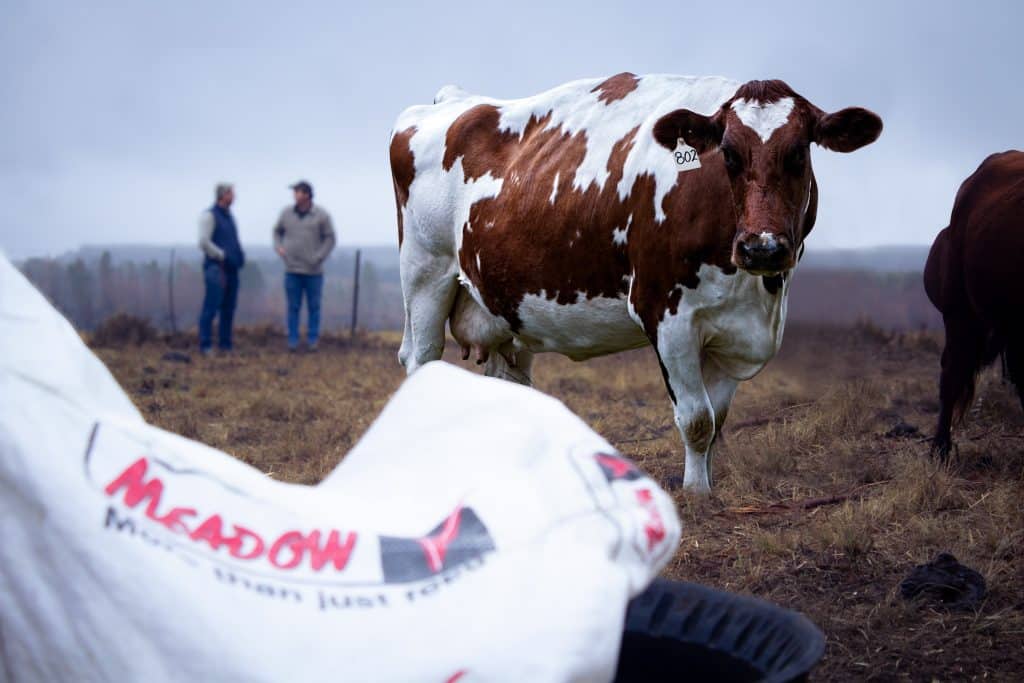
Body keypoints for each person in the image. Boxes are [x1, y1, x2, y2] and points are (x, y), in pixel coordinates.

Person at [273, 180, 336, 352]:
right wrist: (278, 246)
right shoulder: (286, 213)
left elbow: (330, 238)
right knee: (293, 307)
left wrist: (319, 256)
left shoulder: (321, 215)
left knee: (313, 307)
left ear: (307, 194)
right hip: (291, 269)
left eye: (297, 191)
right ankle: (292, 341)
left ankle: (312, 340)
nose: (294, 194)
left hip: (314, 272)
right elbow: (277, 231)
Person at [197, 183, 245, 355]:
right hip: (216, 269)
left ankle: (226, 345)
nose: (234, 196)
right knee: (211, 306)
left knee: (229, 308)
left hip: (231, 269)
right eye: (231, 193)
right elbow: (203, 242)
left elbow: (233, 240)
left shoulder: (229, 217)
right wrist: (222, 256)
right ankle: (206, 345)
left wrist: (239, 256)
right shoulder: (209, 216)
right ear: (223, 195)